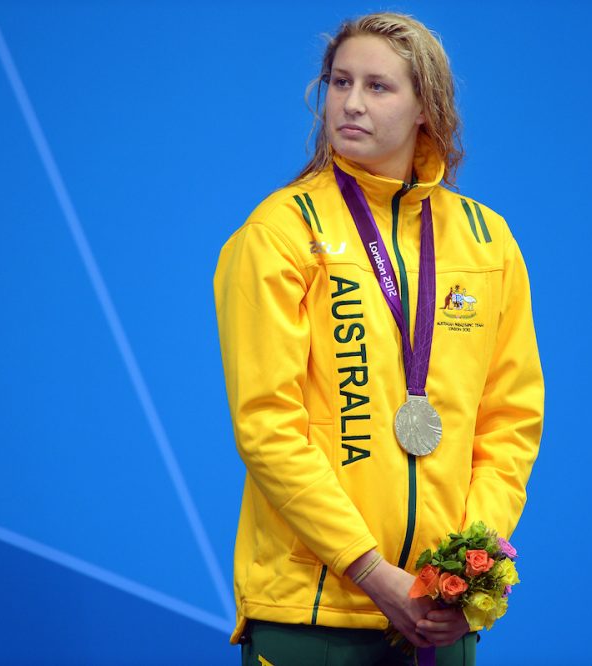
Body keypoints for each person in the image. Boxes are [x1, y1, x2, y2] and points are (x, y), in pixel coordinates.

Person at [213, 12, 544, 666]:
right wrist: (371, 572)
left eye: (378, 86)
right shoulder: (280, 233)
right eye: (340, 82)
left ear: (428, 106)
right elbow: (267, 424)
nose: (352, 103)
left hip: (436, 618)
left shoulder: (487, 242)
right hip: (312, 612)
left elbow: (508, 423)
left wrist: (465, 573)